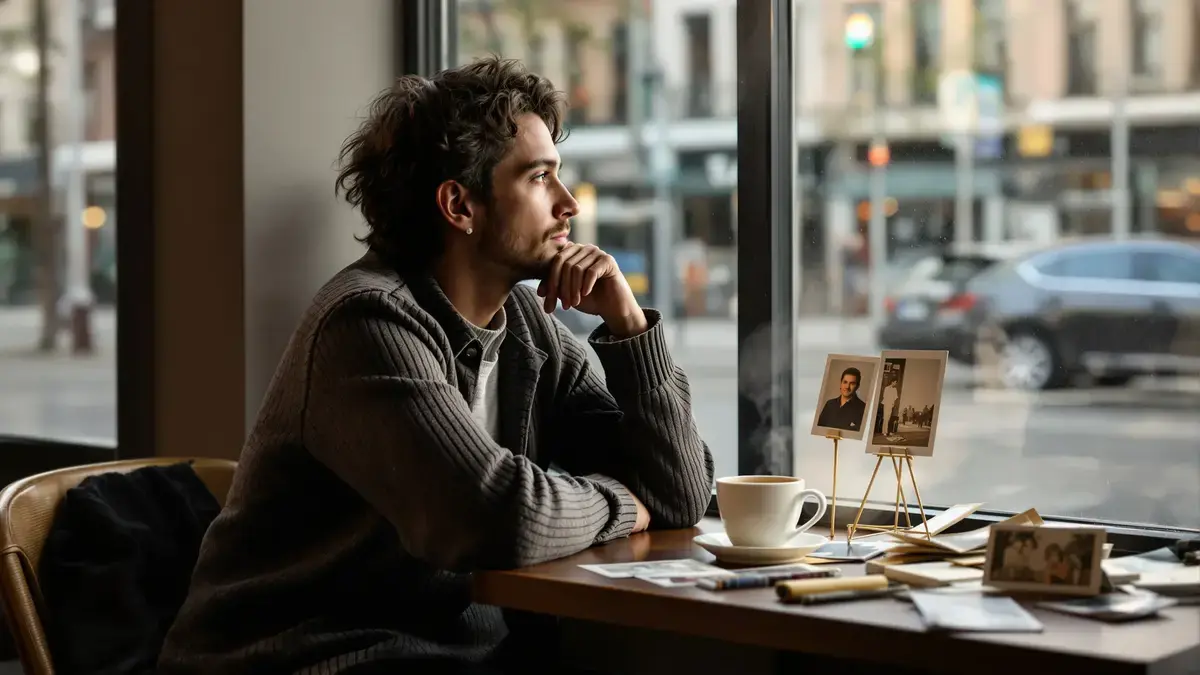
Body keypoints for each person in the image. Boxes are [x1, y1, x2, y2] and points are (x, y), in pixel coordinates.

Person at [158, 57, 714, 675]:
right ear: (459, 205)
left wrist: (630, 328)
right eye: (539, 178)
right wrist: (620, 504)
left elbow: (679, 492)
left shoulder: (528, 331)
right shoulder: (366, 321)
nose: (567, 206)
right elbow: (492, 515)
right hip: (308, 658)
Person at [816, 367, 866, 433]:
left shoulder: (863, 409)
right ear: (841, 383)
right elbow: (818, 430)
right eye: (845, 382)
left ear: (857, 386)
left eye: (852, 383)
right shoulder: (830, 404)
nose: (847, 387)